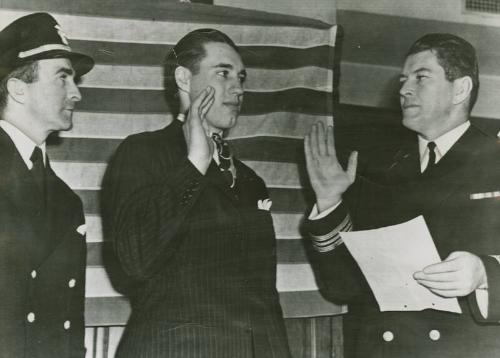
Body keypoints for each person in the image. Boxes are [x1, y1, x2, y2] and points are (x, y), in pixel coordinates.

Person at [304, 33, 500, 358]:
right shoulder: (376, 167)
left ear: (460, 89)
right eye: (403, 79)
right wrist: (329, 203)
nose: (404, 89)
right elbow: (341, 286)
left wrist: (485, 273)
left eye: (421, 78)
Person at [101, 28, 291, 358]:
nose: (238, 88)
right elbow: (133, 262)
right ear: (184, 79)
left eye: (241, 78)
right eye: (223, 73)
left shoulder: (250, 180)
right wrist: (194, 165)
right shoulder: (142, 152)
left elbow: (263, 298)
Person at [0, 12, 94, 358]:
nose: (76, 94)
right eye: (63, 77)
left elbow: (68, 321)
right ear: (18, 88)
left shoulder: (67, 201)